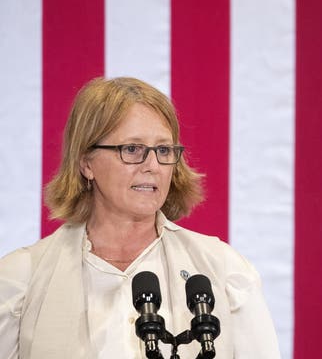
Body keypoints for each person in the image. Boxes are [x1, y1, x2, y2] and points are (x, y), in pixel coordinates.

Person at [0, 77, 281, 358]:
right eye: (132, 149)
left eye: (163, 150)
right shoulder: (21, 280)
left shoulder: (223, 270)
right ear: (86, 163)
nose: (153, 166)